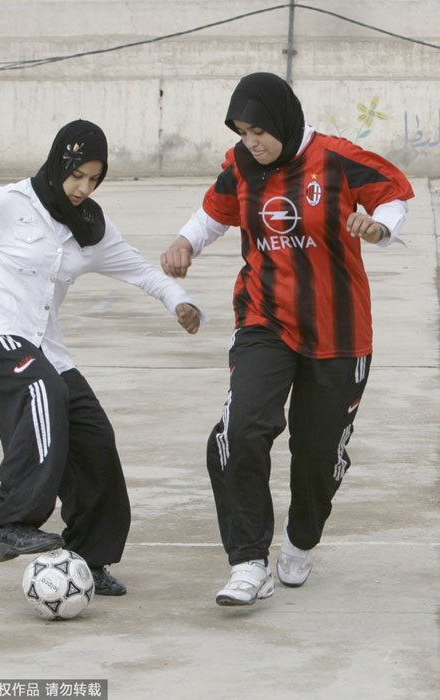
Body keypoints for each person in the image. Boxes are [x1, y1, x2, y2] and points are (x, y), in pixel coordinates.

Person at [0, 119, 202, 596]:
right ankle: (10, 522)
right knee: (41, 391)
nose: (82, 188)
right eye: (76, 175)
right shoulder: (11, 204)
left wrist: (179, 301)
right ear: (57, 164)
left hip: (43, 347)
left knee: (94, 436)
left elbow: (140, 270)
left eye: (94, 179)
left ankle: (89, 558)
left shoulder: (90, 227)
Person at [160, 72, 414, 606]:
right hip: (265, 320)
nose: (251, 142)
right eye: (242, 132)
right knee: (240, 430)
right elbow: (214, 213)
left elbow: (394, 194)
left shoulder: (336, 158)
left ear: (283, 120)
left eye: (259, 131)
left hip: (339, 333)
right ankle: (249, 561)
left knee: (318, 456)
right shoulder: (242, 165)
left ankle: (301, 540)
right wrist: (185, 242)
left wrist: (379, 227)